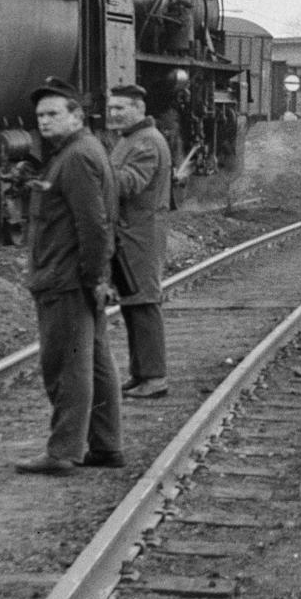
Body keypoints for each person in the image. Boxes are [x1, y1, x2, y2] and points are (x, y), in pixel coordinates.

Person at [15, 78, 124, 476]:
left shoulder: (76, 157)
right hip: (73, 275)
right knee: (94, 362)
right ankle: (107, 445)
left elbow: (93, 226)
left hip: (65, 279)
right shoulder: (79, 151)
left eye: (53, 114)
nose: (43, 121)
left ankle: (63, 451)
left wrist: (94, 277)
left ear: (76, 116)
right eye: (40, 115)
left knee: (66, 365)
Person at [104, 84, 171, 400]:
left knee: (143, 304)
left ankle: (154, 378)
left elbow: (131, 183)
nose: (114, 114)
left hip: (140, 234)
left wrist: (96, 174)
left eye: (121, 108)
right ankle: (140, 373)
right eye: (112, 108)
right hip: (131, 233)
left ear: (139, 109)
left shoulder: (145, 142)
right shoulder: (132, 139)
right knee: (133, 304)